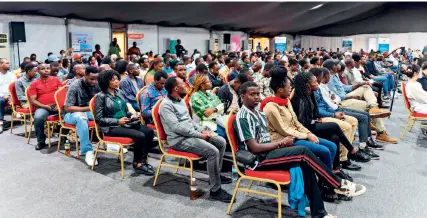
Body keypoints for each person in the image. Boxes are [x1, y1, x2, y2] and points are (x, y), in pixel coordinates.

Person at [235, 81, 366, 218]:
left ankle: (320, 213)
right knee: (302, 151)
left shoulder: (258, 113)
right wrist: (281, 142)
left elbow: (267, 139)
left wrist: (282, 143)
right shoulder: (244, 117)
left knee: (305, 164)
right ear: (243, 95)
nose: (256, 97)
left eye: (257, 94)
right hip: (257, 161)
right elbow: (254, 148)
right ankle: (337, 184)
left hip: (269, 153)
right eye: (252, 94)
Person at [160, 76, 233, 202]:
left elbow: (189, 121)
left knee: (221, 142)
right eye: (183, 84)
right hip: (178, 140)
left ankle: (215, 176)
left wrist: (201, 130)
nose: (187, 85)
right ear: (176, 88)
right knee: (212, 152)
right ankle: (215, 190)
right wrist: (199, 135)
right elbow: (177, 127)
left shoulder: (180, 100)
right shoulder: (166, 105)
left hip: (190, 134)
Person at [261, 66, 341, 172]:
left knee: (332, 146)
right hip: (285, 140)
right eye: (289, 87)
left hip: (297, 135)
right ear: (280, 90)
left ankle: (326, 176)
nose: (291, 89)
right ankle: (328, 178)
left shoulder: (286, 100)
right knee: (325, 150)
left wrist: (309, 134)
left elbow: (295, 122)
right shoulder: (270, 107)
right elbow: (284, 130)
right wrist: (306, 135)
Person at [291, 72, 371, 165]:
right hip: (305, 129)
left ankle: (338, 165)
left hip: (312, 123)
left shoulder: (310, 93)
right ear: (307, 85)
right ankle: (352, 150)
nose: (317, 83)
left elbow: (315, 112)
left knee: (335, 136)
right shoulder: (300, 100)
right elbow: (302, 123)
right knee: (334, 126)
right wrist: (316, 121)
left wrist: (317, 119)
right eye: (315, 82)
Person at [312, 68, 381, 160]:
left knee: (365, 114)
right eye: (316, 81)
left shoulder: (322, 86)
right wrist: (333, 113)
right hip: (330, 111)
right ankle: (349, 154)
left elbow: (331, 99)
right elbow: (322, 107)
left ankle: (364, 144)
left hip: (334, 108)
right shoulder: (317, 88)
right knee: (359, 119)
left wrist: (334, 107)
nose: (317, 83)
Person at [95, 70, 155, 175]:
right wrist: (117, 121)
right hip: (111, 127)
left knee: (149, 131)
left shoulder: (119, 92)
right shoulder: (101, 96)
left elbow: (124, 111)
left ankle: (143, 160)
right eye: (113, 80)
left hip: (125, 123)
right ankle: (138, 163)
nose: (117, 81)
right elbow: (99, 118)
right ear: (106, 81)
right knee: (140, 135)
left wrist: (132, 115)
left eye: (117, 79)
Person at [325, 59, 398, 144]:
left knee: (366, 88)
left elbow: (344, 87)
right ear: (332, 67)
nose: (339, 65)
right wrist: (352, 96)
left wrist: (360, 84)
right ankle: (381, 133)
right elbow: (338, 96)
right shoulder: (329, 78)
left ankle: (373, 107)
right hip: (342, 101)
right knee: (368, 106)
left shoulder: (334, 75)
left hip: (345, 95)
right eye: (336, 64)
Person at [63, 66, 100, 165]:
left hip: (89, 112)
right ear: (85, 75)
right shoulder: (75, 86)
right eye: (91, 79)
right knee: (81, 118)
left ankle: (108, 142)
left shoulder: (97, 84)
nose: (94, 81)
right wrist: (89, 108)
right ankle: (87, 151)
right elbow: (68, 107)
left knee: (106, 114)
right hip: (71, 114)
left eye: (96, 79)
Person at [28, 63, 62, 150]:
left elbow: (62, 93)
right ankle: (41, 141)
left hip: (57, 105)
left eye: (48, 68)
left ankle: (63, 136)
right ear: (38, 71)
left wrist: (59, 105)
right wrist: (45, 106)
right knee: (38, 117)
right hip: (43, 107)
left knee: (70, 114)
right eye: (43, 69)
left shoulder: (56, 80)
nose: (46, 70)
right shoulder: (34, 84)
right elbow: (33, 100)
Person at [0, 58, 16, 133]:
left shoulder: (12, 75)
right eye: (7, 63)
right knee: (1, 100)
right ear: (1, 64)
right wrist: (3, 95)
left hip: (10, 95)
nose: (9, 64)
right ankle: (0, 123)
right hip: (1, 95)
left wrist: (11, 96)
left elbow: (15, 87)